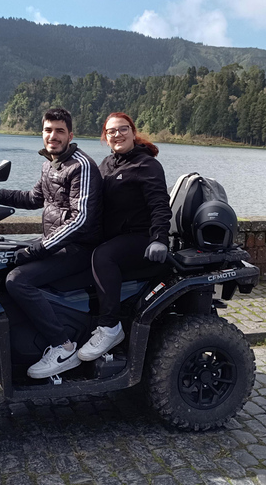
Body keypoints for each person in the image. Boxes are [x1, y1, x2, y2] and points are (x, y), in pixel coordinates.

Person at [0, 108, 103, 378]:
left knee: (18, 280)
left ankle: (63, 346)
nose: (53, 135)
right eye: (48, 130)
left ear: (70, 135)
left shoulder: (80, 166)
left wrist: (37, 249)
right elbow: (35, 198)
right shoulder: (50, 163)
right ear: (42, 133)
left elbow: (80, 220)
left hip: (80, 248)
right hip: (57, 242)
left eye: (60, 131)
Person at [78, 112, 171, 361]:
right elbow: (88, 196)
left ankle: (110, 327)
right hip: (113, 236)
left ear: (132, 132)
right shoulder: (108, 164)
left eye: (122, 129)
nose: (117, 134)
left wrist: (160, 238)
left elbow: (160, 204)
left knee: (103, 256)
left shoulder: (146, 164)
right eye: (111, 131)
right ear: (105, 138)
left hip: (141, 238)